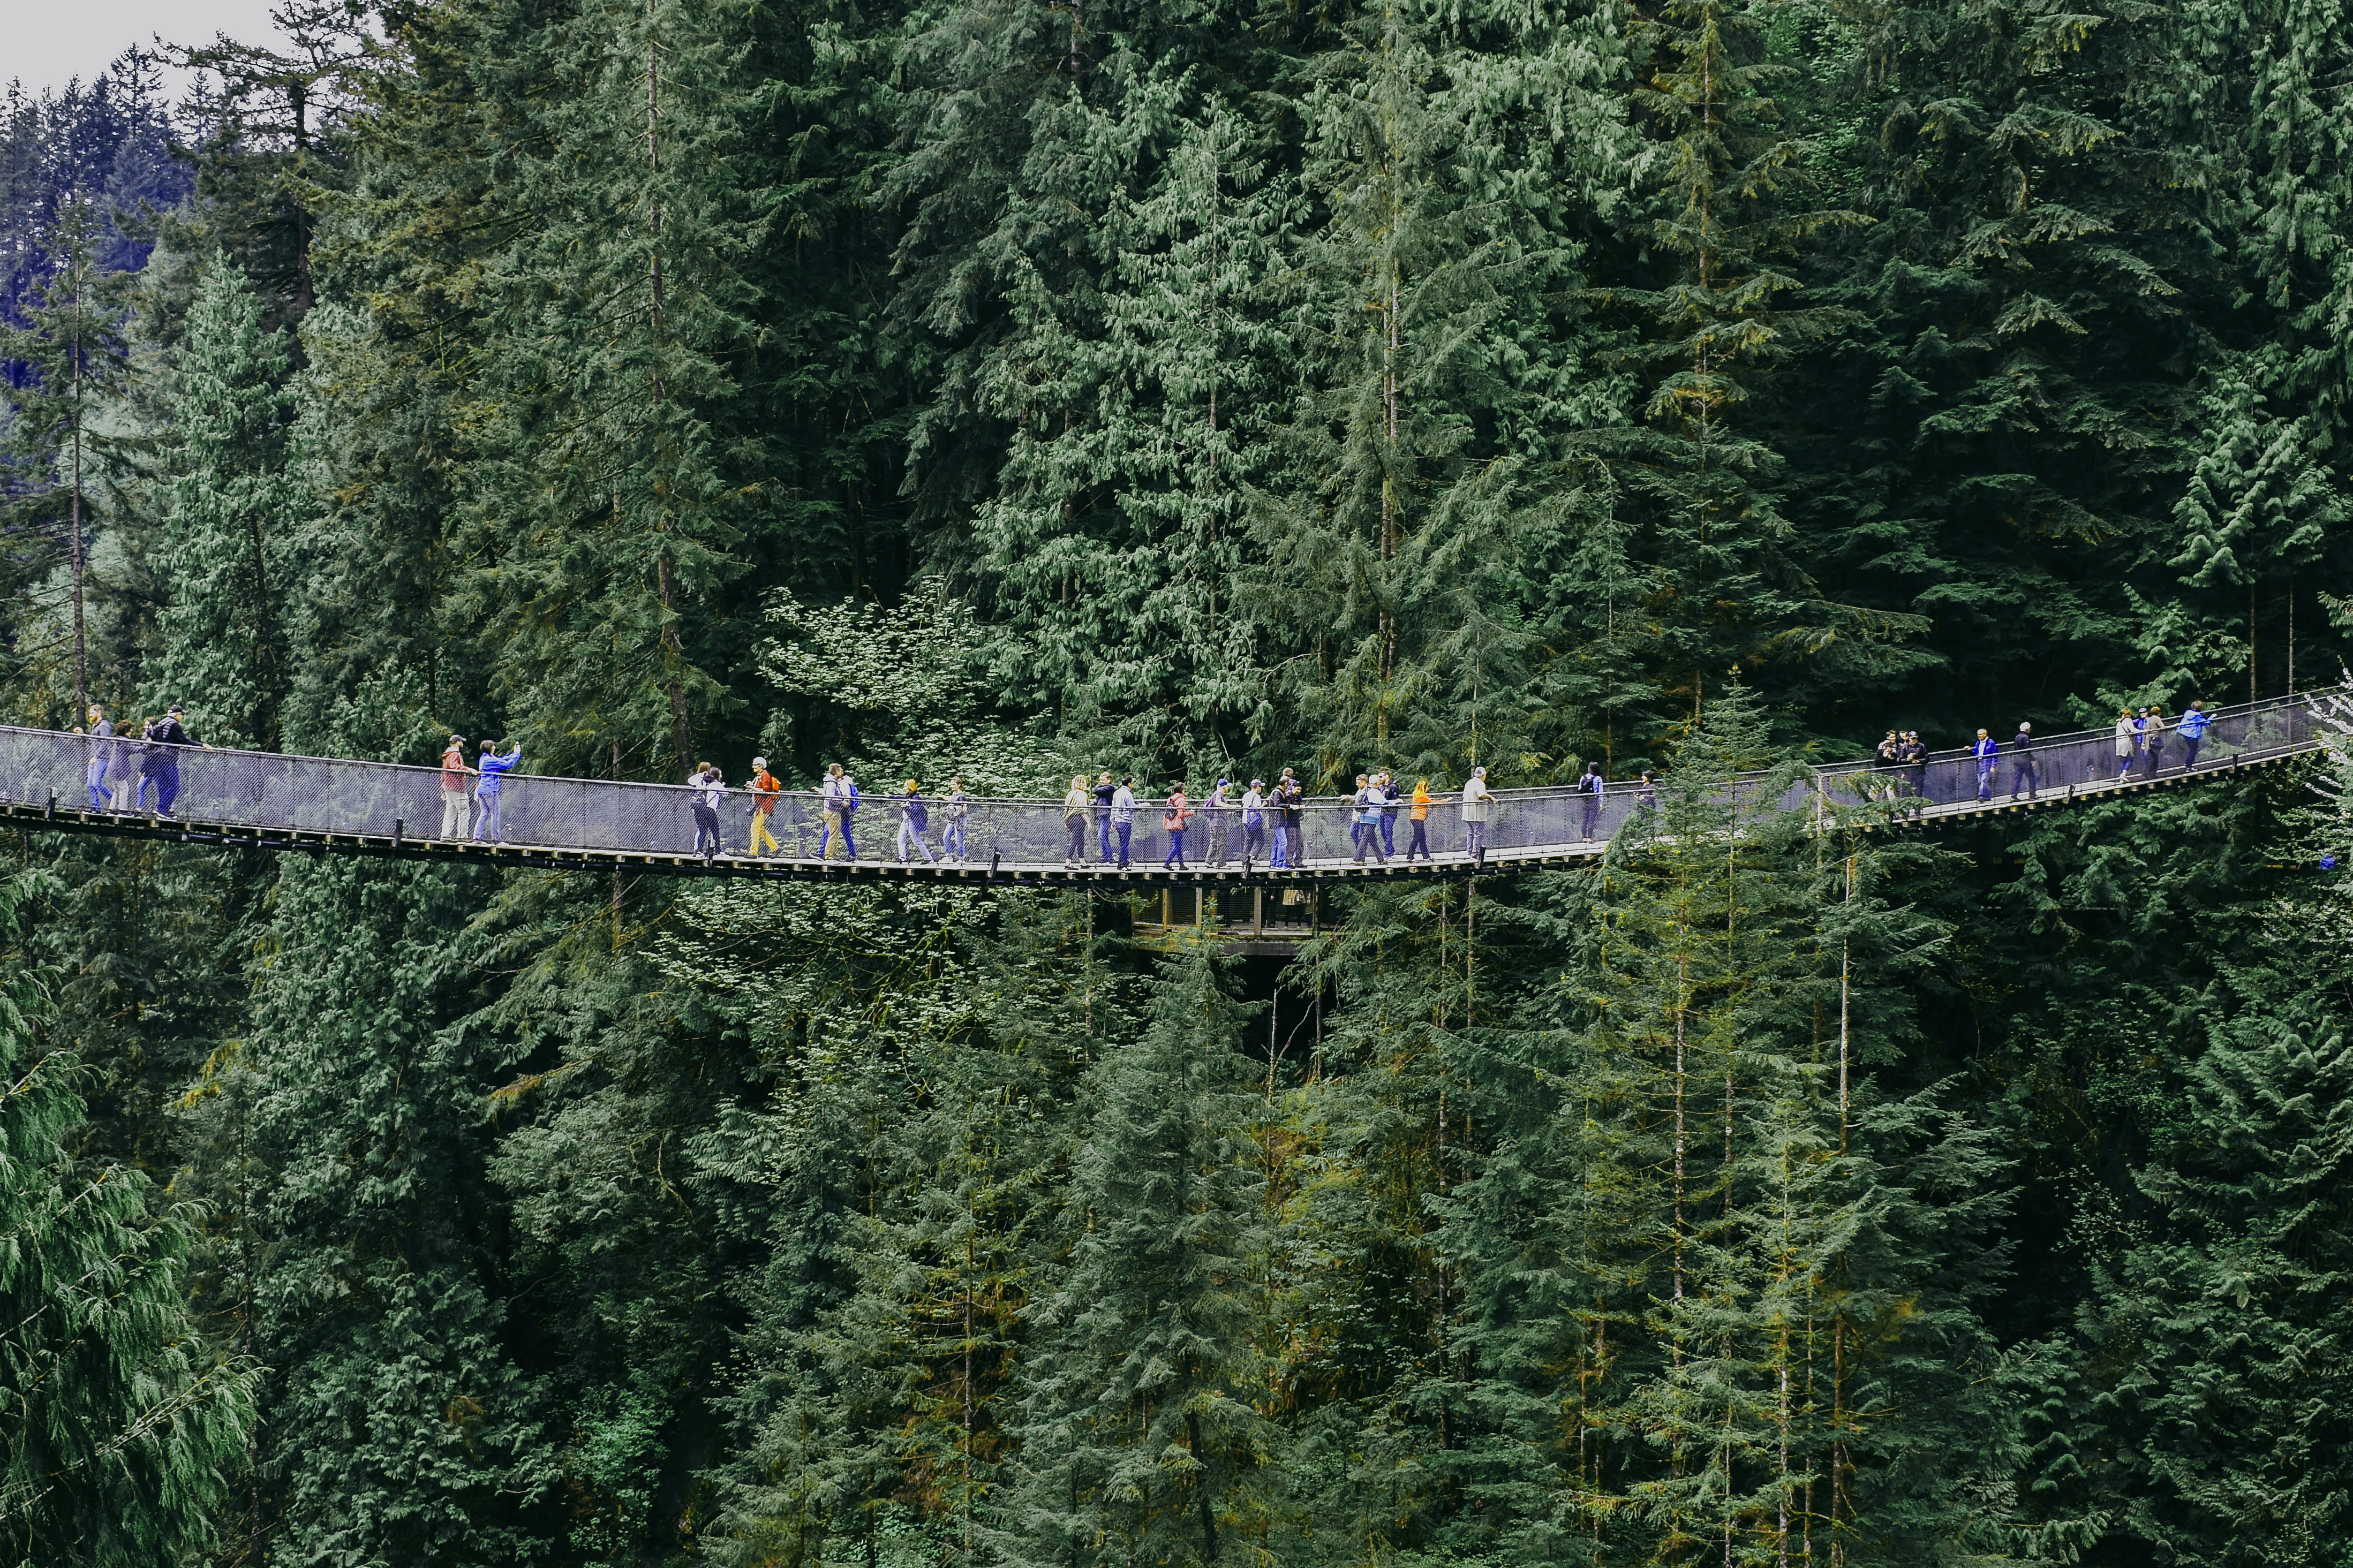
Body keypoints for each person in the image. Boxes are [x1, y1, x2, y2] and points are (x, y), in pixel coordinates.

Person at [143, 706, 209, 818]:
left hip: (158, 757)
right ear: (177, 715)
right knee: (174, 785)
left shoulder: (162, 723)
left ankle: (162, 810)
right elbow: (183, 740)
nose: (182, 717)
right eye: (181, 715)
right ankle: (162, 810)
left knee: (163, 785)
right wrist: (201, 745)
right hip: (168, 758)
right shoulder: (174, 725)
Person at [473, 739, 522, 841]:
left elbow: (502, 760)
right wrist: (517, 755)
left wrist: (514, 753)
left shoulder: (485, 758)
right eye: (493, 746)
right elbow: (507, 764)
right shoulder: (489, 761)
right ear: (491, 748)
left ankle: (477, 838)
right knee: (495, 813)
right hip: (490, 790)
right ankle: (496, 839)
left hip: (482, 789)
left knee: (484, 813)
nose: (495, 747)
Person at [440, 734, 475, 839]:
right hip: (456, 786)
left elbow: (444, 771)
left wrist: (443, 789)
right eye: (461, 741)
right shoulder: (455, 753)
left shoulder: (447, 754)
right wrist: (468, 770)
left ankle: (445, 835)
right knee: (464, 810)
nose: (462, 744)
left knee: (450, 812)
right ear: (457, 742)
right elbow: (454, 766)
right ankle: (462, 836)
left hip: (448, 786)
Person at [748, 758, 782, 858]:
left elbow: (766, 791)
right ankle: (776, 848)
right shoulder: (760, 776)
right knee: (761, 829)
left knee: (755, 828)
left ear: (761, 766)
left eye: (756, 765)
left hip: (763, 806)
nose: (753, 767)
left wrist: (752, 788)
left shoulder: (765, 775)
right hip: (761, 806)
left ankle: (753, 852)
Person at [896, 779, 936, 863]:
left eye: (906, 786)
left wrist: (906, 807)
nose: (904, 788)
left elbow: (916, 810)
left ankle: (928, 858)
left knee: (916, 840)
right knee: (900, 838)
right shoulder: (908, 796)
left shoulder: (915, 798)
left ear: (911, 787)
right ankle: (903, 858)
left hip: (913, 821)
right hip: (906, 820)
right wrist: (890, 796)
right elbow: (899, 797)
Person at [689, 762, 725, 856]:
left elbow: (691, 780)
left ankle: (697, 850)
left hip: (698, 808)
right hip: (709, 809)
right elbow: (726, 793)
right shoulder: (715, 783)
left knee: (702, 830)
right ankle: (716, 850)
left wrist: (702, 774)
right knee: (715, 830)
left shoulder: (701, 781)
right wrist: (703, 773)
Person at [1350, 774, 1387, 864]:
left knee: (1372, 839)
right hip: (1371, 817)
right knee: (1365, 837)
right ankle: (1358, 858)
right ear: (1377, 782)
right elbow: (1384, 802)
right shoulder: (1375, 791)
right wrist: (1396, 802)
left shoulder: (1366, 790)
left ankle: (1380, 859)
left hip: (1363, 816)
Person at [820, 763, 851, 859]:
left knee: (835, 833)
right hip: (832, 811)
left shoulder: (832, 782)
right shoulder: (831, 783)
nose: (841, 772)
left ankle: (835, 855)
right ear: (836, 772)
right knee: (833, 834)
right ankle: (829, 856)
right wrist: (842, 802)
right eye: (840, 770)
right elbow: (831, 798)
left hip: (833, 811)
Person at [83, 706, 111, 810]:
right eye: (89, 713)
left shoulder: (104, 726)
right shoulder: (95, 726)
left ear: (99, 713)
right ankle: (96, 807)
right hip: (94, 759)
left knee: (97, 783)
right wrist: (82, 734)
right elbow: (94, 741)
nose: (90, 715)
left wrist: (96, 757)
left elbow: (105, 742)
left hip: (102, 759)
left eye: (92, 713)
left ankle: (114, 800)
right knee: (90, 784)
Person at [1460, 765, 1491, 858]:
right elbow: (1482, 795)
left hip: (1467, 814)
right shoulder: (1480, 784)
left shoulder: (1469, 783)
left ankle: (1469, 853)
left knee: (1470, 833)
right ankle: (1475, 854)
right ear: (1483, 776)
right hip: (1477, 815)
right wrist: (1491, 797)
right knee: (1478, 834)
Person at [1162, 785, 1194, 869]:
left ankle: (1181, 864)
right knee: (1177, 846)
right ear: (1182, 790)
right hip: (1177, 825)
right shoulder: (1181, 800)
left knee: (1177, 845)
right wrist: (1191, 813)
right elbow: (1181, 814)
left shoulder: (1170, 799)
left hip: (1170, 824)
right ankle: (1167, 863)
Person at [1278, 770, 1306, 865]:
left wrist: (1301, 815)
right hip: (1289, 823)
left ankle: (1299, 861)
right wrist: (1296, 807)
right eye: (1297, 789)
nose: (1299, 791)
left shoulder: (1298, 797)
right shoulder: (1288, 796)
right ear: (1293, 788)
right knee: (1292, 843)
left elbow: (1299, 807)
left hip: (1297, 823)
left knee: (1300, 843)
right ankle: (1289, 861)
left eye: (1300, 790)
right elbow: (1288, 807)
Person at [1062, 774, 1091, 866]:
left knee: (1081, 840)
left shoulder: (1070, 794)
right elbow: (1084, 811)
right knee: (1075, 840)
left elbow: (1066, 808)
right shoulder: (1083, 795)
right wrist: (1089, 823)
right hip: (1079, 819)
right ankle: (1068, 861)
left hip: (1070, 819)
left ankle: (1082, 861)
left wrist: (1066, 820)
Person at [1204, 778, 1234, 866]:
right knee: (1222, 843)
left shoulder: (1215, 794)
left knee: (1214, 842)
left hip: (1214, 823)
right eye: (1227, 787)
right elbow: (1218, 803)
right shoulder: (1219, 794)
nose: (1228, 788)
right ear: (1223, 787)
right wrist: (1231, 807)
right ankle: (1222, 863)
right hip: (1220, 823)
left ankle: (1208, 862)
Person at [1405, 778, 1436, 860]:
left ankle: (1426, 856)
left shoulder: (1417, 794)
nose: (1428, 789)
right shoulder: (1422, 795)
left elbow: (1426, 801)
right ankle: (1410, 855)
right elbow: (1433, 803)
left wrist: (1429, 800)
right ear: (1424, 787)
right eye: (1427, 787)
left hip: (1416, 818)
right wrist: (1445, 801)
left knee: (1422, 837)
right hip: (1418, 818)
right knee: (1417, 837)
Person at [941, 778, 970, 862]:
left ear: (959, 785)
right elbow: (951, 799)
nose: (952, 786)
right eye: (951, 784)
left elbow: (965, 807)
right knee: (946, 836)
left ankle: (961, 858)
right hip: (952, 820)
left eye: (954, 785)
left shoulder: (962, 796)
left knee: (959, 839)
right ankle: (949, 857)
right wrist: (942, 796)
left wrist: (962, 808)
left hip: (960, 821)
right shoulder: (954, 794)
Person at [1110, 777, 1137, 868]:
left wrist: (1112, 821)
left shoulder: (1116, 793)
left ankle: (1122, 861)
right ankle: (1123, 862)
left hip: (1118, 821)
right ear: (1129, 784)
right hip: (1126, 821)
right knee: (1125, 843)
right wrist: (1144, 805)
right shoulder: (1128, 794)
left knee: (1122, 842)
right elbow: (1132, 807)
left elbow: (1113, 807)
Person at [2178, 700, 2212, 768]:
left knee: (2192, 750)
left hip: (2186, 733)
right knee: (2193, 750)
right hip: (2193, 735)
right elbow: (2206, 723)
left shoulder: (2188, 713)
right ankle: (2188, 766)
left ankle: (2187, 763)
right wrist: (2212, 717)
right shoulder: (2197, 716)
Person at [1093, 771, 1118, 863]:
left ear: (1109, 779)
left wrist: (1100, 785)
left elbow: (1096, 790)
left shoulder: (1110, 788)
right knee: (1104, 837)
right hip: (1101, 814)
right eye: (1100, 780)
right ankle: (1108, 858)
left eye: (1103, 780)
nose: (1101, 782)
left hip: (1106, 814)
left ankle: (1106, 858)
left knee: (1101, 836)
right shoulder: (1104, 789)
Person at [1242, 779, 1269, 862]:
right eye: (1260, 786)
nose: (1261, 789)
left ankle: (1245, 859)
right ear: (1257, 787)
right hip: (1254, 821)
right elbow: (1257, 809)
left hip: (1246, 820)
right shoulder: (1256, 796)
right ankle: (1252, 857)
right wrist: (1264, 805)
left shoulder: (1246, 795)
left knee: (1249, 840)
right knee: (1260, 840)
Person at [2008, 722, 2037, 800]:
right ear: (2027, 729)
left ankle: (2014, 795)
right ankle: (2032, 795)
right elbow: (2027, 750)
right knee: (2031, 777)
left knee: (2018, 778)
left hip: (2017, 759)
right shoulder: (2026, 737)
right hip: (2025, 759)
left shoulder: (2017, 737)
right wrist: (2033, 759)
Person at [1578, 760, 1605, 839]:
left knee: (1584, 819)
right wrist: (1601, 804)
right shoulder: (1598, 778)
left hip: (1584, 800)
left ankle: (1584, 837)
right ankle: (1589, 838)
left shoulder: (1583, 778)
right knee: (1591, 819)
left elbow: (1580, 789)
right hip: (1594, 800)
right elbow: (1600, 792)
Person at [1376, 771, 1400, 858]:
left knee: (1388, 831)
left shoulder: (1393, 786)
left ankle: (1389, 852)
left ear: (1387, 777)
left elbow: (1395, 800)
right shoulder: (1381, 787)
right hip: (1382, 812)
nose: (1379, 778)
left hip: (1390, 812)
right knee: (1383, 832)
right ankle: (1391, 850)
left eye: (1381, 776)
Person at [1972, 728, 1998, 801]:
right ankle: (1987, 797)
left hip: (1987, 763)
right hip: (1979, 763)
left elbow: (1995, 754)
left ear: (1985, 734)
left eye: (1980, 734)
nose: (1979, 736)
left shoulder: (1991, 742)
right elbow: (1976, 752)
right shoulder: (1978, 743)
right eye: (1978, 734)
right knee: (1980, 781)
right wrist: (1970, 750)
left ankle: (1981, 796)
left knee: (1984, 780)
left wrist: (1994, 766)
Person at [2141, 706, 2166, 776]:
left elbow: (2146, 730)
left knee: (2151, 757)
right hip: (2155, 739)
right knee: (2155, 758)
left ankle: (2148, 772)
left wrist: (2143, 742)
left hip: (2148, 739)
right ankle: (2150, 773)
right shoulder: (2157, 718)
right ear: (2158, 712)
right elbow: (2163, 727)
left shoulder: (2149, 719)